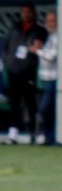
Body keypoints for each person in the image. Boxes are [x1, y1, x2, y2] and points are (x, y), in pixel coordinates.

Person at [1, 2, 47, 144]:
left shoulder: (39, 30)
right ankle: (13, 135)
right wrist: (8, 62)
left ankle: (33, 133)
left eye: (28, 12)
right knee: (14, 103)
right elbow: (7, 47)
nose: (26, 14)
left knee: (30, 103)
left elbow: (40, 48)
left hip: (29, 72)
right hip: (14, 71)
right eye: (24, 12)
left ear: (33, 13)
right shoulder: (15, 28)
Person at [36, 9, 58, 145]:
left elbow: (51, 56)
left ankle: (52, 136)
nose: (50, 23)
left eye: (53, 20)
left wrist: (37, 50)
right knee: (48, 110)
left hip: (54, 78)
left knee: (46, 108)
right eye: (48, 21)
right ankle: (49, 137)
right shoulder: (50, 35)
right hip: (46, 78)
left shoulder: (58, 36)